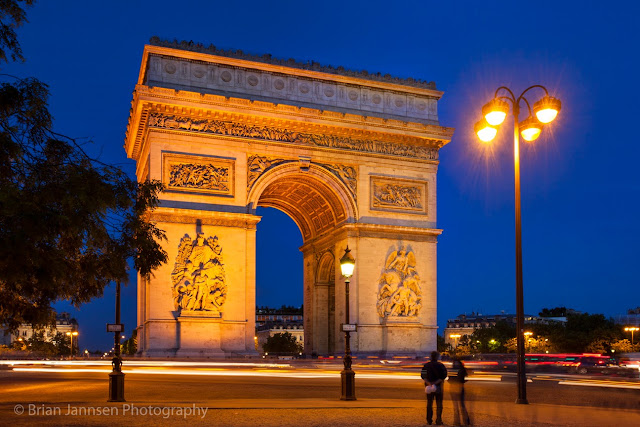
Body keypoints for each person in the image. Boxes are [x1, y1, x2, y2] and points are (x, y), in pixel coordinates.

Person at [421, 351, 448, 425]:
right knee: (439, 404)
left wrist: (429, 383)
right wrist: (435, 383)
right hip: (438, 386)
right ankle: (438, 420)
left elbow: (423, 376)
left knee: (429, 403)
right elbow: (444, 375)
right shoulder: (441, 365)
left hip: (428, 387)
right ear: (437, 357)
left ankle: (429, 420)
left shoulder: (426, 365)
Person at [450, 357, 471, 426]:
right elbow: (464, 378)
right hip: (460, 387)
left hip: (453, 387)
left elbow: (450, 379)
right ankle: (466, 421)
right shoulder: (462, 369)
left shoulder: (453, 369)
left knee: (455, 406)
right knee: (462, 405)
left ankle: (457, 422)